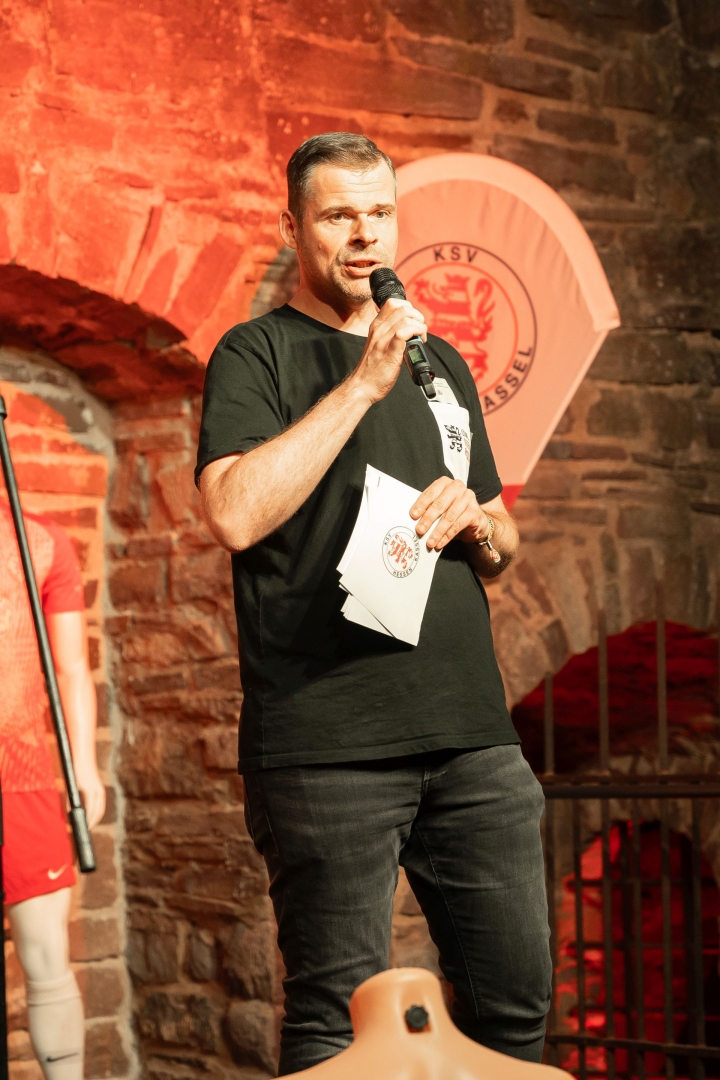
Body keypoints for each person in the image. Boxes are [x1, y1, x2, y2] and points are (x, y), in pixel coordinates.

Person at [196, 132, 551, 1076]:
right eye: (340, 216)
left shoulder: (443, 363)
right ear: (294, 228)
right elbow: (233, 513)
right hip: (328, 744)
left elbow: (503, 542)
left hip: (472, 738)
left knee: (514, 1010)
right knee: (336, 1024)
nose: (366, 235)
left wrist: (475, 519)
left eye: (381, 213)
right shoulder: (255, 353)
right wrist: (362, 385)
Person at [0, 501, 105, 1080]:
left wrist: (83, 767)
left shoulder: (38, 541)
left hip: (20, 772)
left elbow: (71, 667)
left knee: (45, 952)